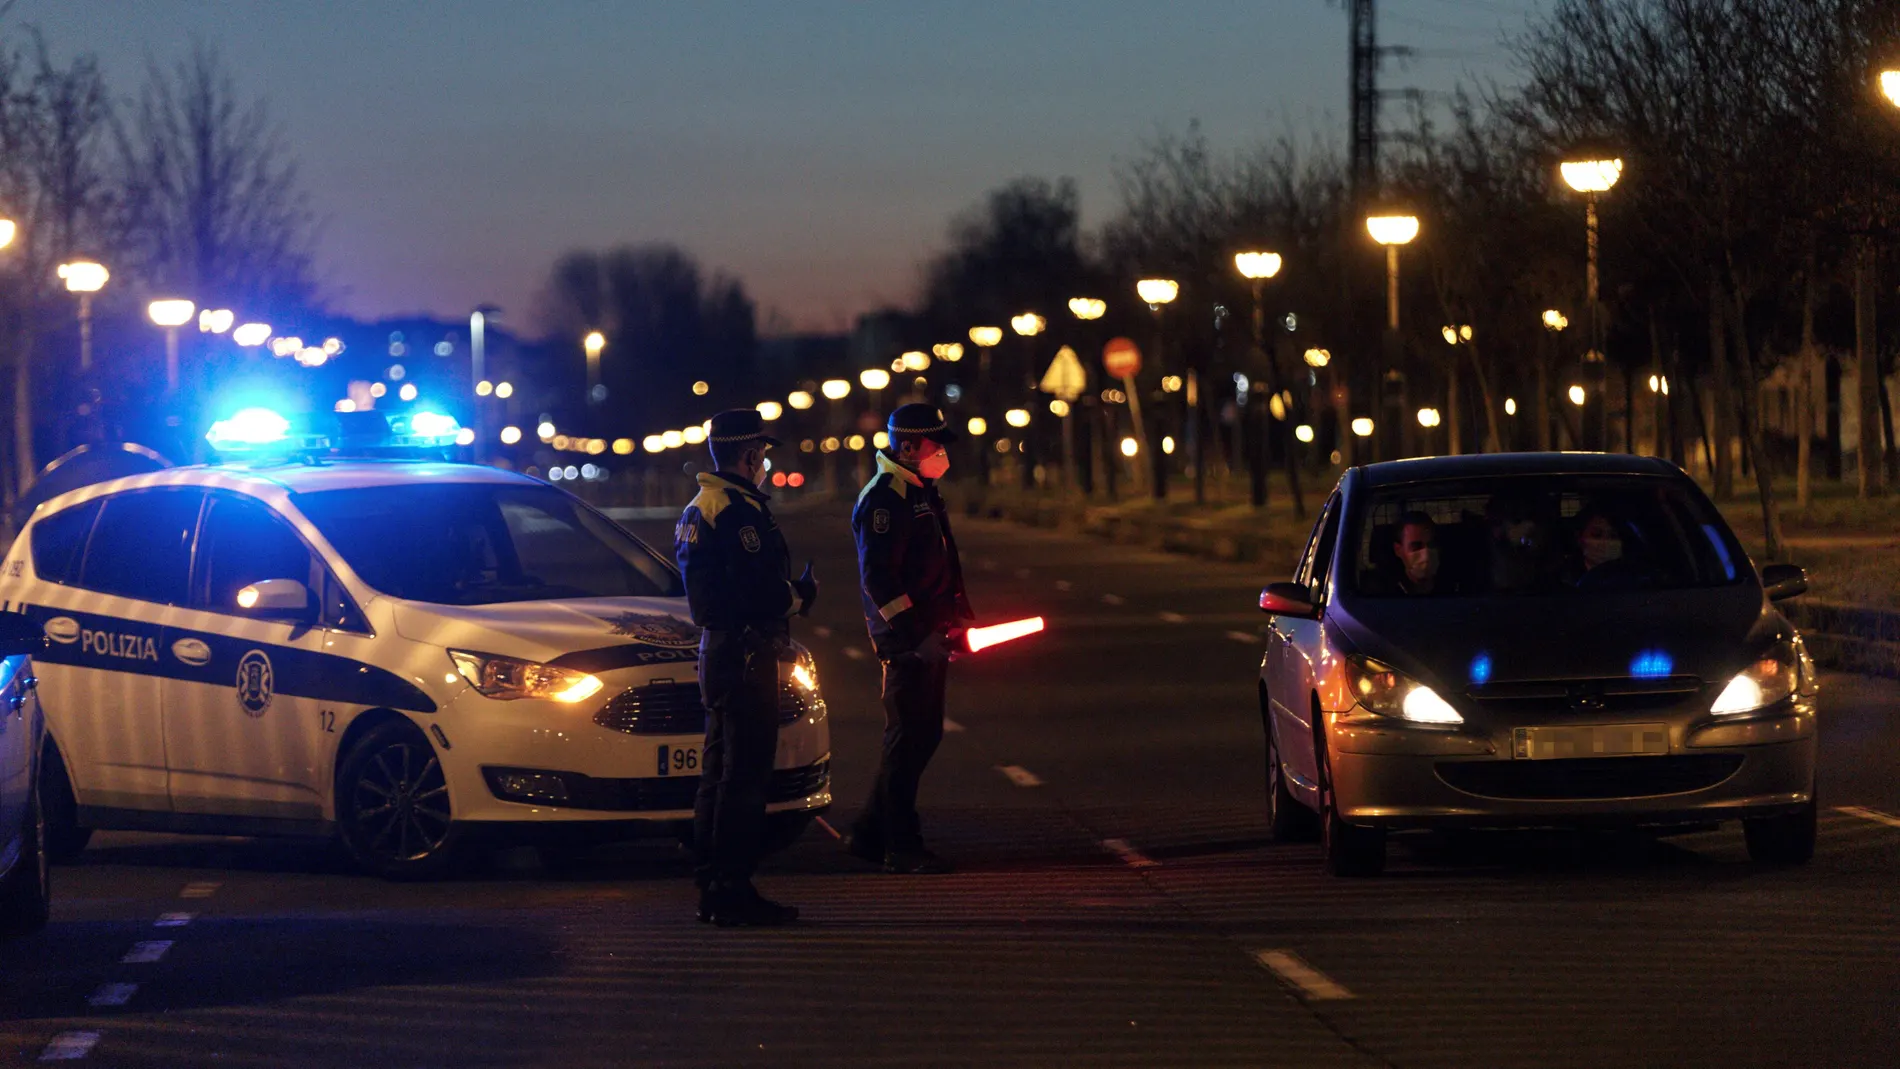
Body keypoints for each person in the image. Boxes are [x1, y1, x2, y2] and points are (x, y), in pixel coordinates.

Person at [675, 409, 817, 926]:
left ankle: (713, 885)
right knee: (745, 777)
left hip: (720, 653)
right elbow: (755, 589)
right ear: (750, 454)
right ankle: (732, 889)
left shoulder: (701, 506)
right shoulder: (734, 511)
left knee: (717, 773)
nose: (765, 460)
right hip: (745, 653)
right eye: (762, 452)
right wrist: (798, 597)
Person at [847, 403, 974, 875]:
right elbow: (880, 580)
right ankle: (900, 845)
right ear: (907, 447)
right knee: (908, 740)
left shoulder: (920, 490)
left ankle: (868, 833)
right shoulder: (885, 497)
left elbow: (940, 567)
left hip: (930, 638)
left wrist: (957, 620)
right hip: (907, 644)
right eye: (935, 446)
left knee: (921, 736)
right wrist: (916, 636)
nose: (942, 453)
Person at [1389, 511, 1443, 595]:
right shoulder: (1386, 594)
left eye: (1431, 545)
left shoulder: (1455, 588)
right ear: (1398, 550)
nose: (1426, 555)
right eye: (1416, 547)